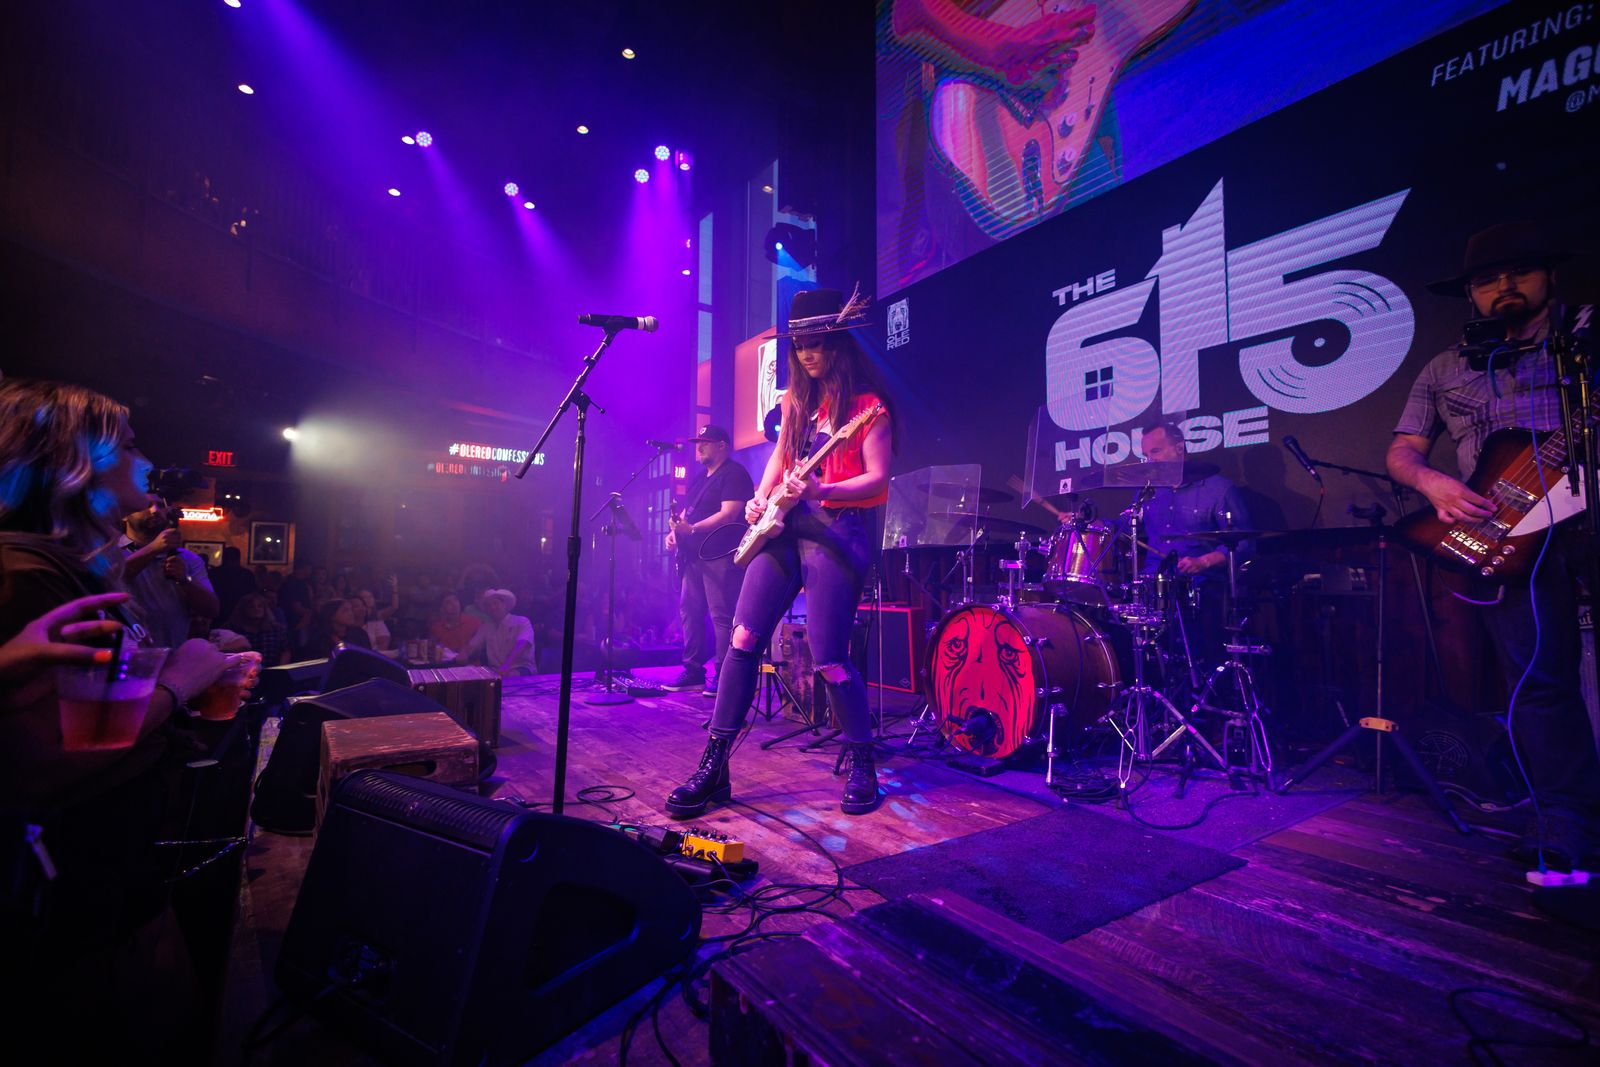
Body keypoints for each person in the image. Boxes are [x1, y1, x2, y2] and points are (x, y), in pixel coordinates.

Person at [0, 380, 233, 1059]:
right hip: (74, 900)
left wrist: (181, 674)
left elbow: (92, 704)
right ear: (74, 461)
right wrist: (181, 682)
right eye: (129, 446)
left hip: (116, 876)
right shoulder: (24, 573)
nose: (147, 461)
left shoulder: (64, 564)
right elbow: (49, 759)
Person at [1387, 220, 1598, 868]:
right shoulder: (1443, 367)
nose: (1504, 286)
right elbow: (1402, 450)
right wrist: (1432, 483)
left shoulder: (1587, 339)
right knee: (1538, 679)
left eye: (1519, 272)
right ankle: (1567, 820)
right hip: (1506, 539)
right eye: (1486, 280)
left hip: (1590, 515)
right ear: (1471, 294)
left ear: (1550, 277)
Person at [666, 287, 894, 818]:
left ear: (837, 344)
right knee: (743, 637)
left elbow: (878, 479)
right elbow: (781, 459)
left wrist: (823, 490)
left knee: (829, 656)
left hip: (837, 528)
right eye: (801, 345)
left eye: (817, 344)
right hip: (783, 527)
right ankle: (715, 766)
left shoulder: (869, 408)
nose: (808, 354)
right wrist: (760, 498)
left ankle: (862, 761)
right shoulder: (796, 403)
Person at [662, 425, 752, 695]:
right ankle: (693, 671)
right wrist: (675, 532)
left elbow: (729, 514)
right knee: (689, 611)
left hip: (719, 555)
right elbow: (687, 515)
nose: (699, 447)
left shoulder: (734, 474)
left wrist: (691, 529)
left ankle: (724, 675)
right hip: (694, 557)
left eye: (705, 442)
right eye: (697, 442)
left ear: (722, 445)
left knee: (721, 614)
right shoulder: (700, 479)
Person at [121, 501, 220, 648]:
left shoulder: (188, 559)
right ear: (124, 515)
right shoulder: (110, 551)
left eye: (160, 505)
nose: (154, 510)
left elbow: (211, 610)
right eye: (145, 505)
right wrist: (154, 548)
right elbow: (106, 581)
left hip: (173, 654)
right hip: (123, 655)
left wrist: (185, 580)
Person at [459, 588, 535, 676]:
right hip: (495, 671)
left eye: (496, 603)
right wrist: (463, 654)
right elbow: (473, 645)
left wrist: (506, 666)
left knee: (511, 675)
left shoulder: (522, 621)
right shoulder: (486, 626)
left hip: (521, 668)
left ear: (505, 605)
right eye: (488, 605)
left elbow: (522, 644)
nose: (492, 607)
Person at [223, 592, 288, 666]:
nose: (256, 609)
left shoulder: (276, 629)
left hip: (272, 669)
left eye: (259, 606)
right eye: (251, 606)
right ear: (243, 609)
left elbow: (285, 651)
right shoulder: (232, 630)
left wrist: (280, 668)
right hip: (243, 670)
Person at [304, 598, 371, 660]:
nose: (351, 613)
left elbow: (368, 657)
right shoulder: (320, 639)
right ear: (331, 615)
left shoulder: (360, 633)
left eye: (351, 610)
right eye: (345, 610)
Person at [208, 545, 257, 623]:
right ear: (238, 558)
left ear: (223, 557)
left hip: (219, 610)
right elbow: (252, 594)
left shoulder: (213, 573)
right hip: (241, 612)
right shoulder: (246, 574)